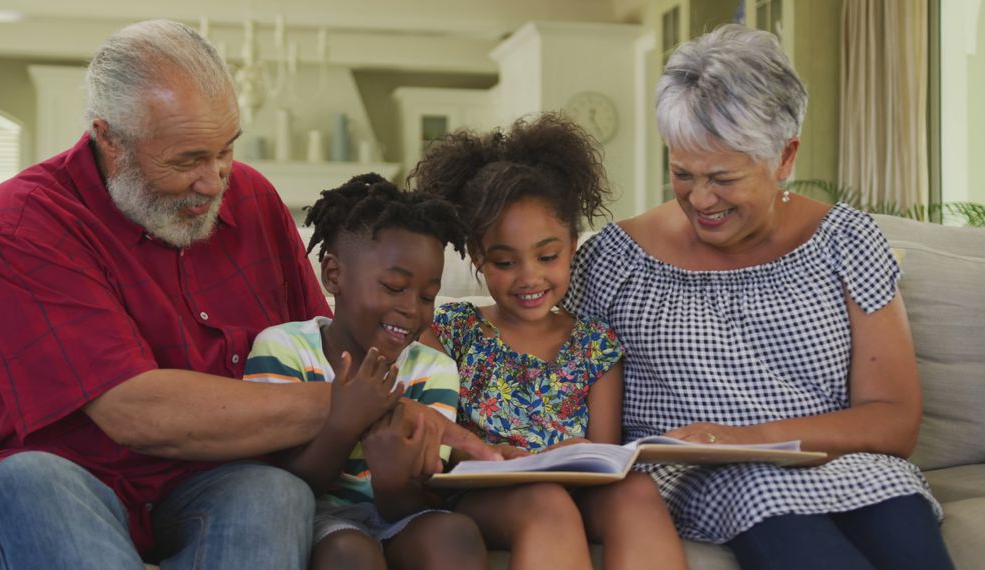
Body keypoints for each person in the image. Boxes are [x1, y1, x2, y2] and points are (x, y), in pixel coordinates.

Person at [0, 19, 494, 570]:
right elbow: (135, 413)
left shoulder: (251, 199)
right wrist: (360, 403)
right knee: (34, 482)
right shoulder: (26, 221)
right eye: (187, 160)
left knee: (273, 492)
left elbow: (330, 350)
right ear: (109, 140)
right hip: (61, 474)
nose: (215, 180)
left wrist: (446, 433)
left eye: (225, 150)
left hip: (214, 479)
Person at [563, 24, 955, 570]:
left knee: (898, 510)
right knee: (766, 498)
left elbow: (893, 420)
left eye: (723, 177)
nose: (699, 199)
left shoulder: (847, 240)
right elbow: (559, 391)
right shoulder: (612, 260)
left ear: (785, 157)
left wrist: (747, 436)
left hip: (844, 462)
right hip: (707, 477)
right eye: (681, 173)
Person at [412, 114, 687, 570]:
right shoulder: (452, 330)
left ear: (573, 246)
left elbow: (605, 453)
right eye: (505, 261)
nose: (530, 277)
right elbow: (429, 433)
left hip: (576, 488)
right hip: (483, 493)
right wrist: (483, 451)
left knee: (637, 489)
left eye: (547, 256)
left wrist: (576, 455)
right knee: (546, 500)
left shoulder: (594, 346)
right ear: (477, 256)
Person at [242, 174, 487, 570]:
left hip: (399, 515)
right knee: (350, 551)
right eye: (394, 287)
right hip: (317, 517)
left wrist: (393, 480)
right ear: (334, 276)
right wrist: (343, 424)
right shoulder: (283, 349)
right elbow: (282, 488)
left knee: (453, 534)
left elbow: (412, 504)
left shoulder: (433, 370)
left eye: (428, 296)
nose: (412, 309)